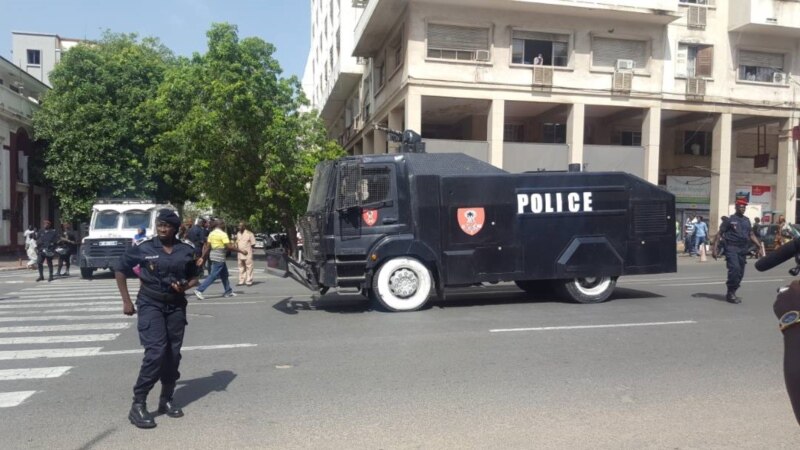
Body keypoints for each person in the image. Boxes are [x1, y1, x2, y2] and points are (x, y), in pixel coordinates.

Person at [115, 209, 202, 429]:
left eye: (167, 226)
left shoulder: (185, 250)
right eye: (160, 225)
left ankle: (166, 399)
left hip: (175, 306)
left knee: (173, 354)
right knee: (156, 352)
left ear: (176, 228)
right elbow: (120, 269)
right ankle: (138, 403)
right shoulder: (144, 248)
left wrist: (184, 285)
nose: (162, 229)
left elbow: (194, 278)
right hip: (150, 303)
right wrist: (126, 301)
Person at [711, 199, 764, 303]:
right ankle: (730, 293)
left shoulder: (746, 220)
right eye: (741, 206)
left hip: (743, 249)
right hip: (731, 248)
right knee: (734, 269)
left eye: (744, 207)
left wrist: (759, 246)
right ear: (736, 207)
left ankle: (733, 291)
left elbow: (751, 234)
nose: (743, 209)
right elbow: (719, 234)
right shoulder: (729, 220)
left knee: (740, 273)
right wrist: (714, 249)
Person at [194, 219, 247, 299]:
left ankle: (228, 291)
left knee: (224, 274)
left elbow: (208, 247)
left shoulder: (211, 233)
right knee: (213, 275)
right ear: (221, 225)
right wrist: (241, 251)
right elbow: (228, 247)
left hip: (214, 255)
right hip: (219, 256)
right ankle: (199, 290)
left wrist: (202, 257)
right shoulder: (223, 234)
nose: (224, 226)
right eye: (224, 224)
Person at [235, 221, 256, 286]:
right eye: (238, 226)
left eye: (240, 226)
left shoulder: (250, 234)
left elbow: (253, 244)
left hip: (247, 253)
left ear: (244, 227)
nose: (239, 227)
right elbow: (237, 242)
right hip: (240, 253)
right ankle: (241, 281)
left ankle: (249, 281)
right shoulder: (238, 233)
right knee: (241, 267)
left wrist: (248, 248)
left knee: (249, 267)